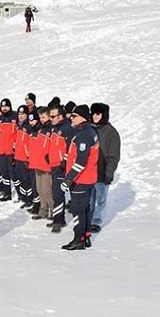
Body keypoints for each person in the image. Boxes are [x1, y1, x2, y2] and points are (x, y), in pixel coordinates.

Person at [60, 105, 99, 250]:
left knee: (78, 210)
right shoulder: (85, 132)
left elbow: (81, 161)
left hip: (81, 179)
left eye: (74, 116)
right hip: (86, 178)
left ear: (82, 117)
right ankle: (86, 235)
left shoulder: (83, 135)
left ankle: (78, 239)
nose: (71, 118)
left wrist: (69, 178)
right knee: (85, 208)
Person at [89, 103, 120, 233]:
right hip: (89, 172)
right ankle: (87, 219)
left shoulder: (111, 132)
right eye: (94, 113)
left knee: (100, 199)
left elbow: (114, 156)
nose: (95, 116)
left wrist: (109, 173)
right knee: (89, 199)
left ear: (104, 115)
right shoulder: (89, 129)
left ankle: (96, 221)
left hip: (102, 172)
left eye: (98, 114)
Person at [48, 105, 74, 233]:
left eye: (53, 116)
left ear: (61, 116)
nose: (51, 118)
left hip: (60, 166)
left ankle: (58, 220)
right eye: (50, 116)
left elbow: (70, 148)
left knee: (58, 193)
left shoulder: (67, 129)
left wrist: (64, 161)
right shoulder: (54, 128)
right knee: (55, 192)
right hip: (53, 164)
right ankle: (60, 218)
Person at [29, 107, 53, 220]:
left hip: (46, 165)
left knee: (47, 190)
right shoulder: (39, 129)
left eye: (43, 117)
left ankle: (54, 211)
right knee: (39, 189)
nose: (41, 119)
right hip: (37, 163)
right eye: (40, 117)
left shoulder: (51, 129)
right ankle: (43, 209)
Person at [0, 98, 18, 201]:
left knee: (14, 174)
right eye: (2, 106)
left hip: (11, 151)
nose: (4, 108)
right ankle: (7, 193)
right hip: (1, 151)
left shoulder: (16, 117)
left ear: (10, 106)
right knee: (4, 174)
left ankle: (21, 194)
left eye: (6, 106)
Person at [13, 105, 33, 206]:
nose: (20, 116)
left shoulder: (29, 127)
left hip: (25, 158)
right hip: (18, 157)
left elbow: (30, 145)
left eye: (23, 114)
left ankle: (30, 198)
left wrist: (28, 158)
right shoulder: (19, 126)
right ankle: (24, 196)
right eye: (19, 114)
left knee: (27, 179)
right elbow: (17, 142)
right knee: (21, 178)